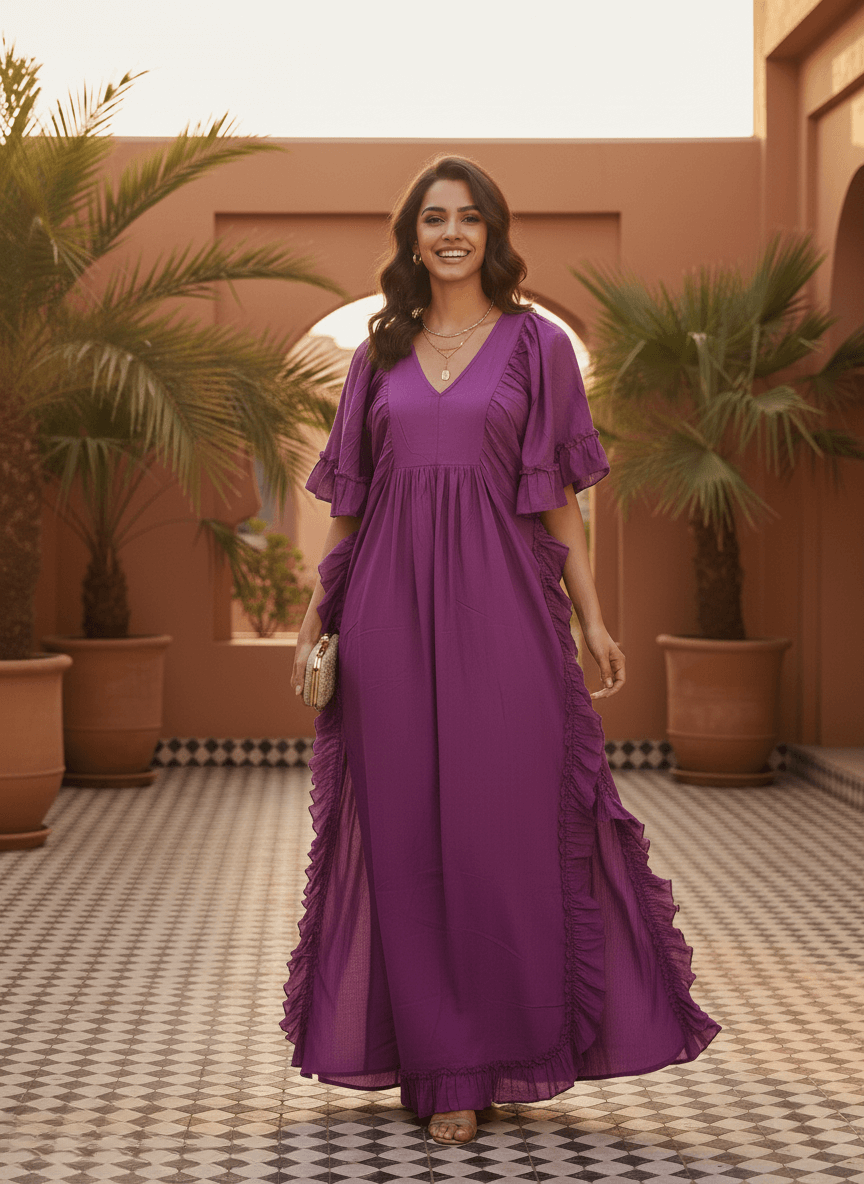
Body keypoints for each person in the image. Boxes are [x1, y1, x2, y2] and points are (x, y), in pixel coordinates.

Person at [281, 154, 720, 1148]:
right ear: (412, 235)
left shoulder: (538, 345)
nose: (450, 233)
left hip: (508, 611)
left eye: (468, 217)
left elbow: (558, 498)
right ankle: (445, 1069)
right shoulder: (376, 354)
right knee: (404, 840)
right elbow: (348, 505)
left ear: (492, 233)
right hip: (388, 614)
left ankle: (503, 1044)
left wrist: (592, 618)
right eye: (434, 217)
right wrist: (315, 615)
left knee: (500, 834)